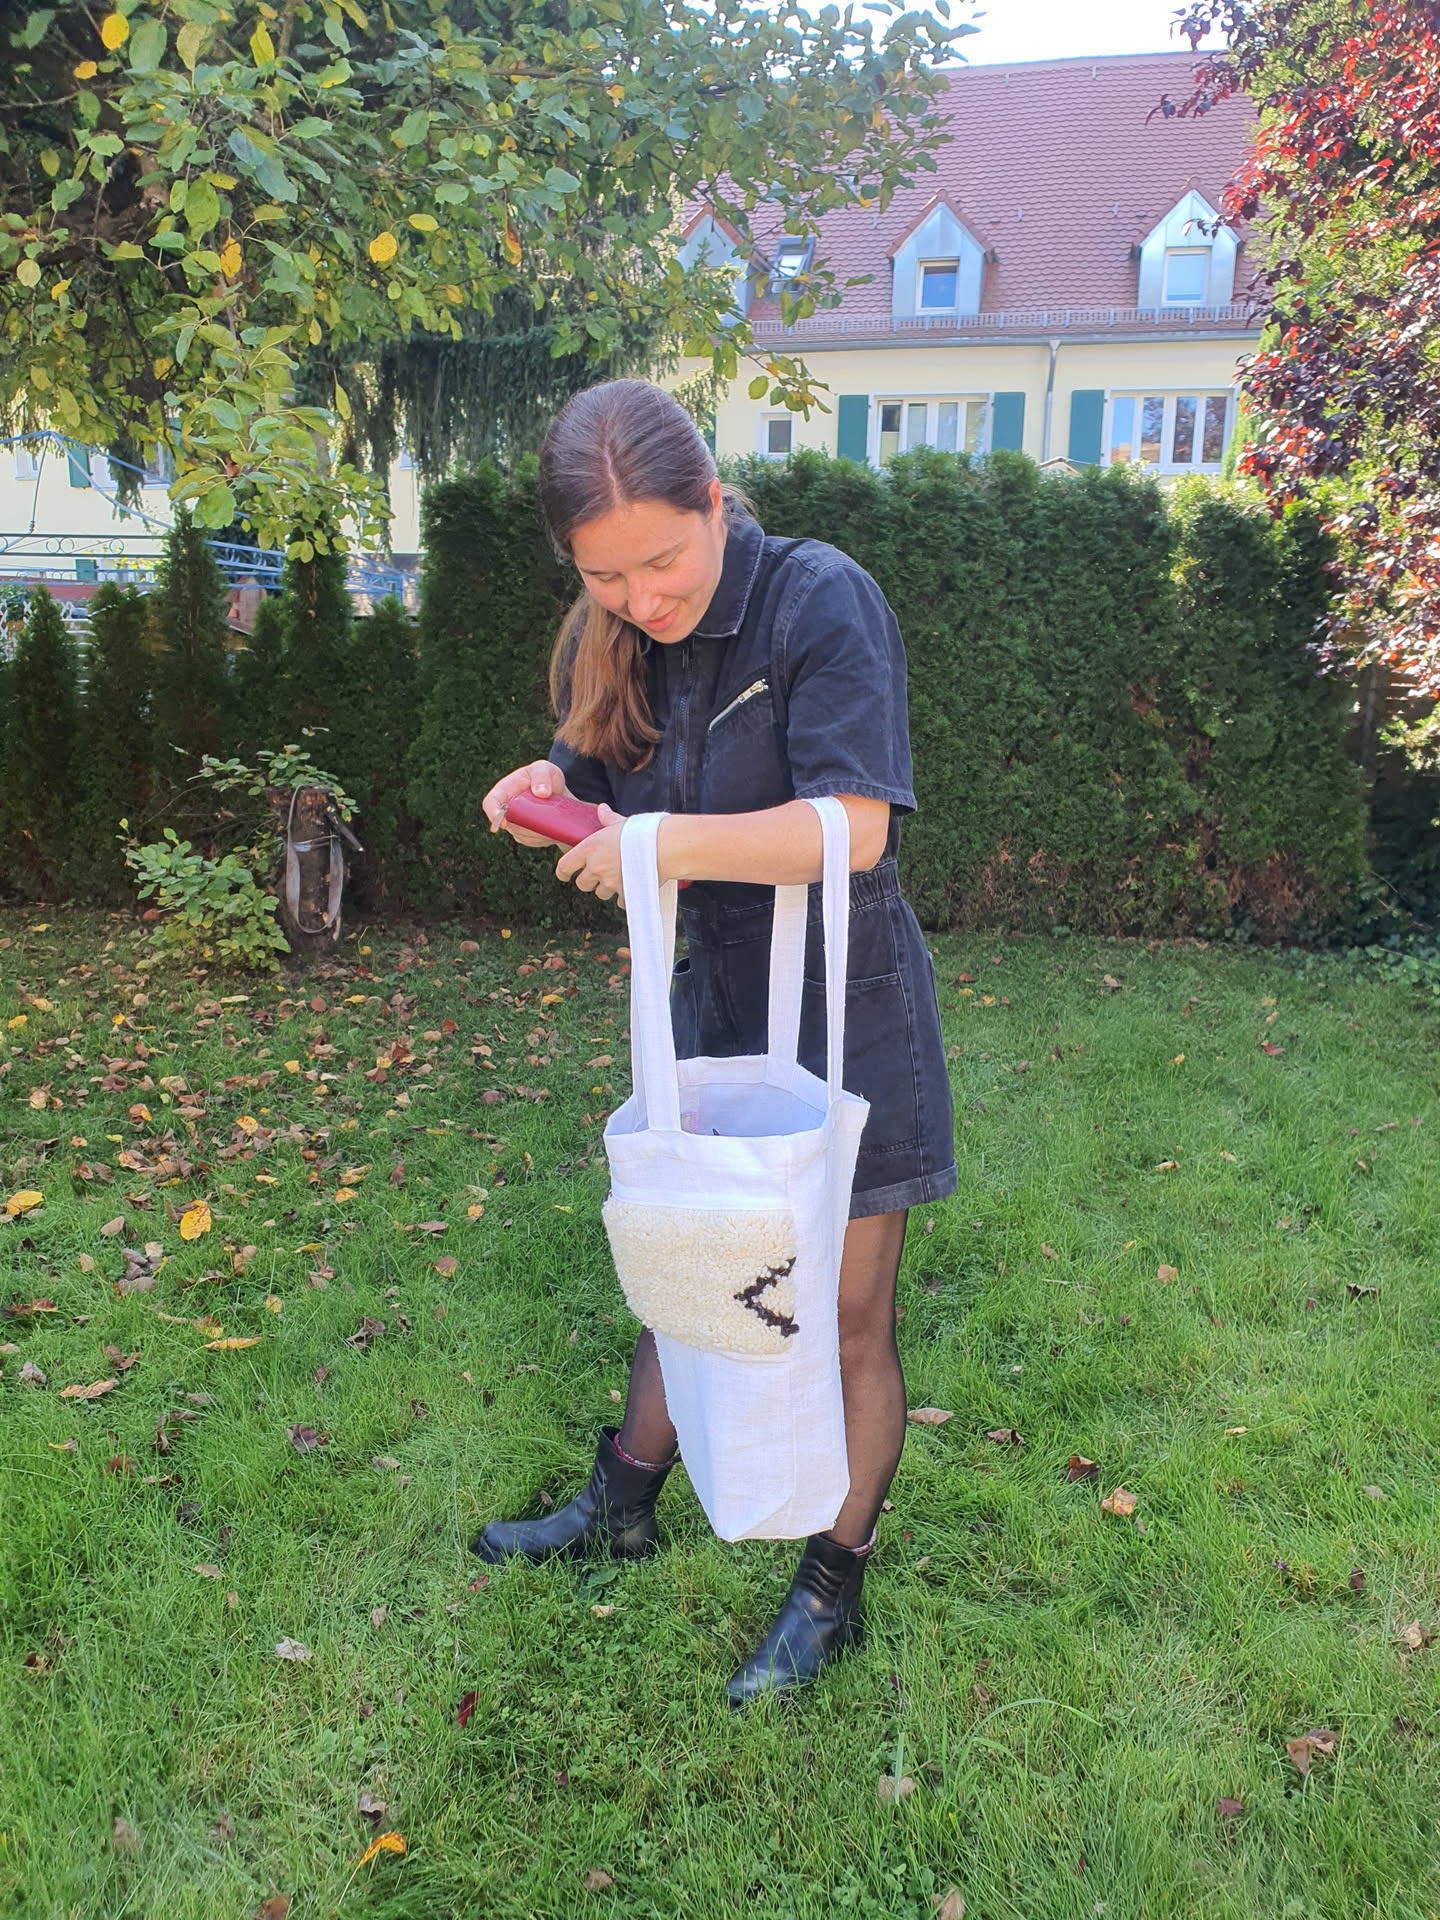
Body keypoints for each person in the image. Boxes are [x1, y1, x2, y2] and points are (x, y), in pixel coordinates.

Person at [474, 379, 956, 1706]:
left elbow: (854, 827)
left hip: (850, 1003)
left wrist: (657, 844)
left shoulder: (819, 599)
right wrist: (549, 791)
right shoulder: (615, 637)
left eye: (661, 561)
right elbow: (596, 781)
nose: (641, 597)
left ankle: (831, 1586)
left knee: (841, 1313)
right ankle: (623, 1502)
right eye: (605, 575)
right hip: (717, 997)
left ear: (713, 501)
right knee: (693, 1272)